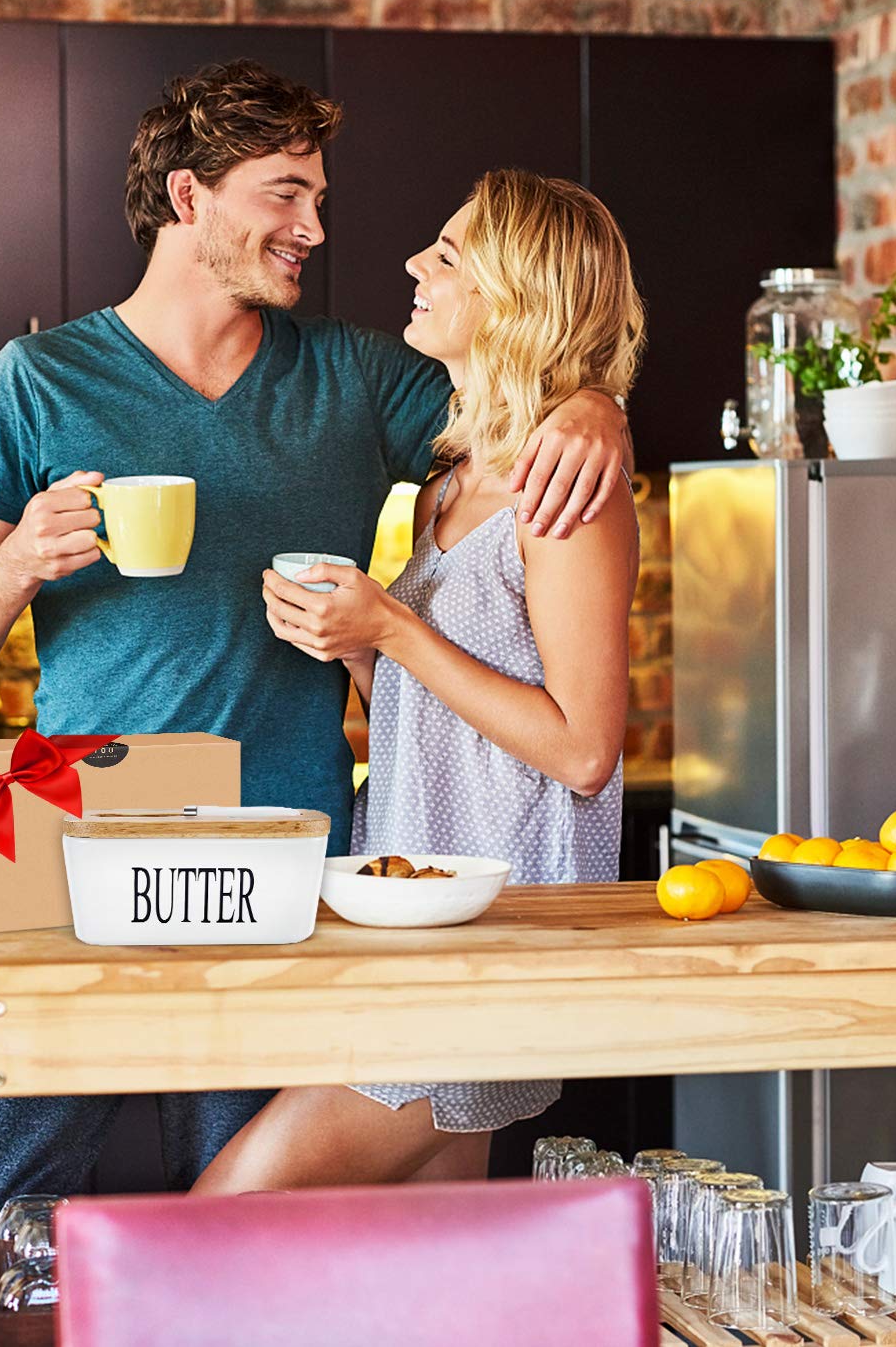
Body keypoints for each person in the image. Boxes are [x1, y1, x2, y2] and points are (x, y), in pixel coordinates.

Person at [0, 64, 631, 1229]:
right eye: (286, 195)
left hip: (283, 828)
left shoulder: (355, 377)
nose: (316, 230)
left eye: (319, 198)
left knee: (245, 1231)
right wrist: (13, 564)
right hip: (61, 810)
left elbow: (521, 395)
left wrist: (598, 405)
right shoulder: (35, 380)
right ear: (188, 197)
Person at [192, 169, 643, 1196]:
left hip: (493, 947)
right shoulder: (450, 477)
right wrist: (354, 648)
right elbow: (436, 718)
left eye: (447, 255)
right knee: (421, 1275)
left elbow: (581, 751)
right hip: (423, 932)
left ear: (514, 295)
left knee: (223, 1216)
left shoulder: (561, 487)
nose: (413, 264)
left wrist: (390, 627)